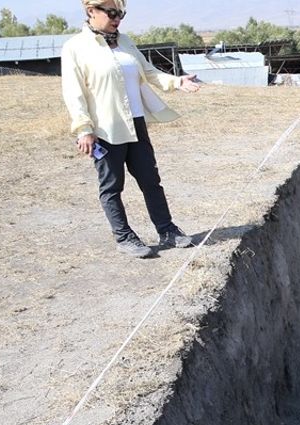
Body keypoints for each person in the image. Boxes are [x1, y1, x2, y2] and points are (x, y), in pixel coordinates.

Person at [61, 0, 201, 258]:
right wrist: (84, 129)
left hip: (136, 123)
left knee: (151, 180)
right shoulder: (75, 48)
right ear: (91, 11)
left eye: (121, 13)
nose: (117, 18)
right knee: (112, 186)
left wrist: (177, 82)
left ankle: (167, 230)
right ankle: (124, 237)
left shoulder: (125, 42)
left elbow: (149, 73)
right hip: (106, 129)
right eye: (111, 12)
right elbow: (74, 93)